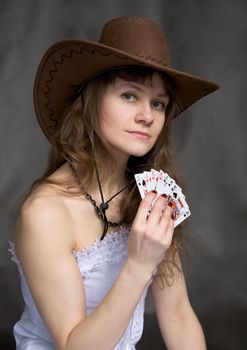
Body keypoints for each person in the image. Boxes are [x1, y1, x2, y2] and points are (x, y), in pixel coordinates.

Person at [9, 16, 219, 350]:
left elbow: (178, 315)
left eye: (158, 103)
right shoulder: (44, 212)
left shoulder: (152, 196)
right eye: (129, 96)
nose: (147, 116)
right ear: (91, 102)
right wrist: (138, 265)